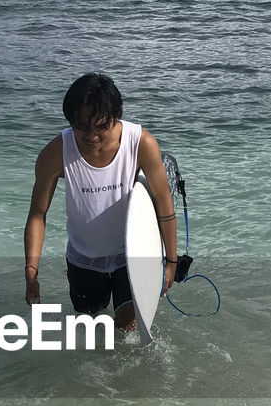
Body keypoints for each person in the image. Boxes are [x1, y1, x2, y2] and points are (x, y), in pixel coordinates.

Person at [24, 72, 180, 331]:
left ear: (115, 116)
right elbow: (38, 215)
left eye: (100, 125)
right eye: (82, 126)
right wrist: (31, 270)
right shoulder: (54, 154)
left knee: (127, 330)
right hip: (83, 259)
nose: (91, 135)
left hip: (132, 255)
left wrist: (171, 262)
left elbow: (164, 203)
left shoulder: (141, 143)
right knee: (93, 331)